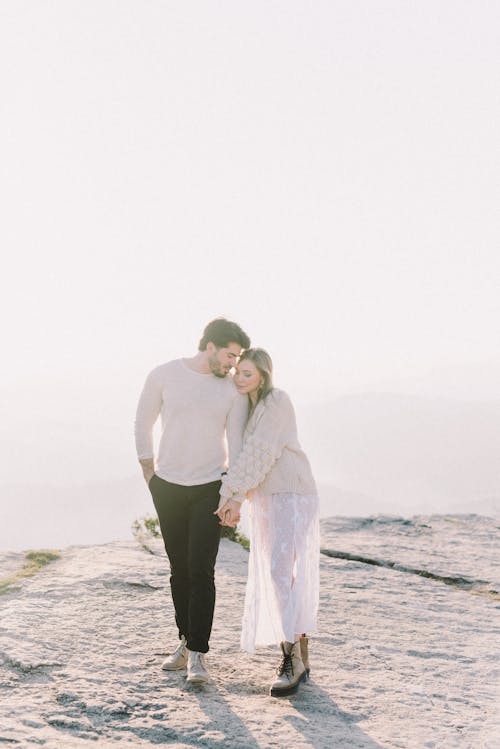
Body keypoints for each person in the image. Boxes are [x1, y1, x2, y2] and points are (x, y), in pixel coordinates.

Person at [134, 318, 250, 684]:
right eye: (230, 355)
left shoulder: (231, 391)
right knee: (179, 569)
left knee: (201, 569)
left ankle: (199, 652)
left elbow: (238, 443)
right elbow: (142, 422)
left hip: (209, 487)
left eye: (237, 359)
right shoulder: (165, 374)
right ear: (211, 346)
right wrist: (149, 474)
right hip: (167, 485)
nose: (233, 365)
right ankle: (184, 641)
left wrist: (232, 494)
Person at [216, 348, 320, 697]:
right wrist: (235, 497)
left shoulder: (277, 401)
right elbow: (243, 455)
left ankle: (291, 658)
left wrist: (230, 496)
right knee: (278, 573)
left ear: (263, 374)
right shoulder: (252, 406)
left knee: (280, 573)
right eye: (238, 372)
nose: (240, 378)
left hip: (291, 493)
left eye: (248, 373)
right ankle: (297, 654)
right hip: (266, 497)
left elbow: (261, 452)